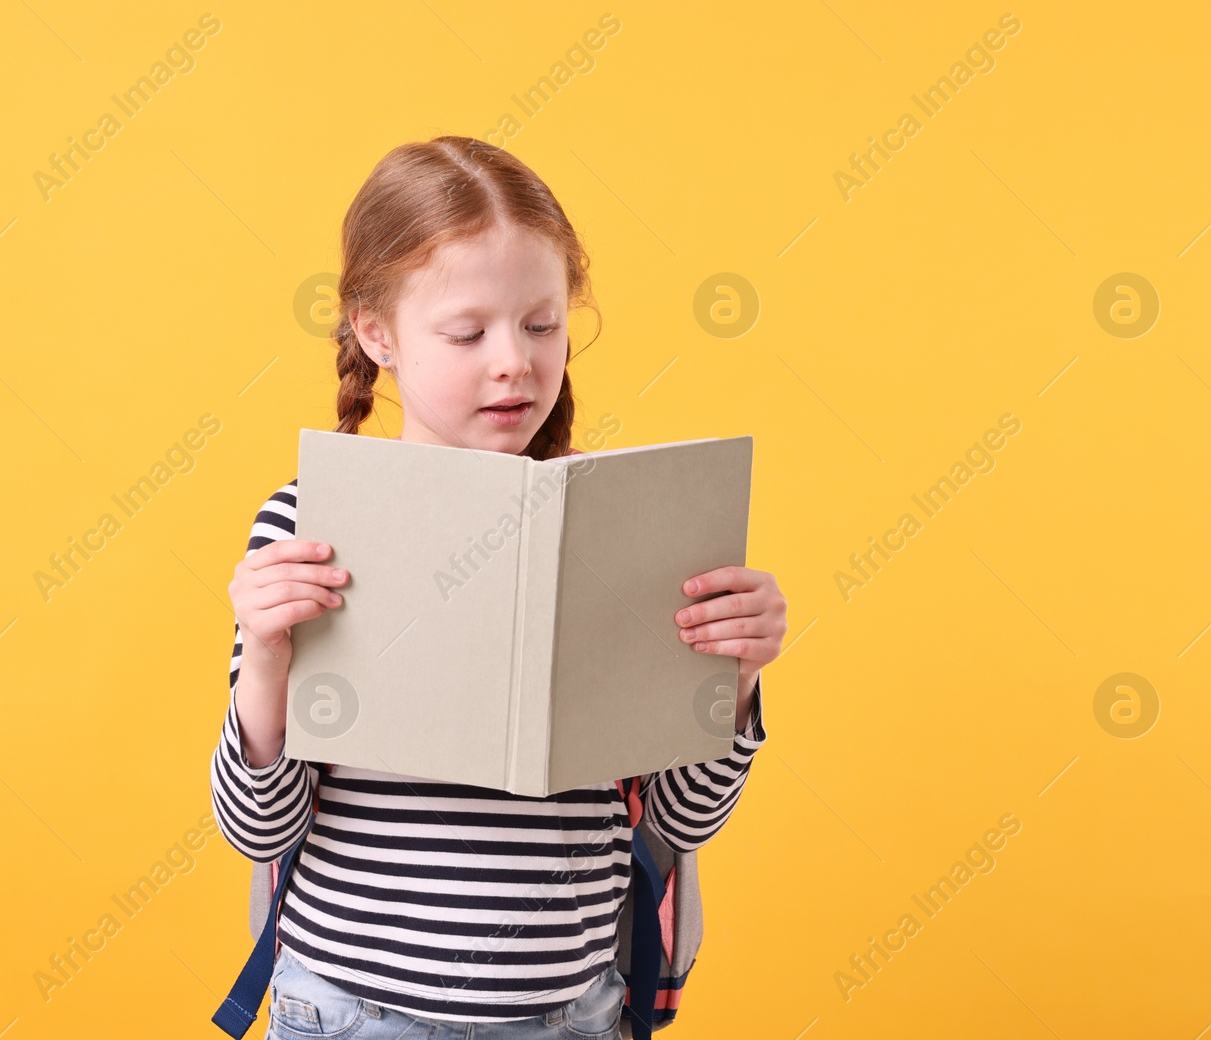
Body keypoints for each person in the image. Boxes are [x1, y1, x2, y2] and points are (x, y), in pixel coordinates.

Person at [209, 135, 787, 1040]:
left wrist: (736, 679)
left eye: (542, 323)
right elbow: (257, 828)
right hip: (351, 1014)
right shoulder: (308, 525)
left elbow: (679, 819)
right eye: (467, 332)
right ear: (376, 332)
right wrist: (269, 664)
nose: (513, 361)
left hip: (568, 1015)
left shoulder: (626, 527)